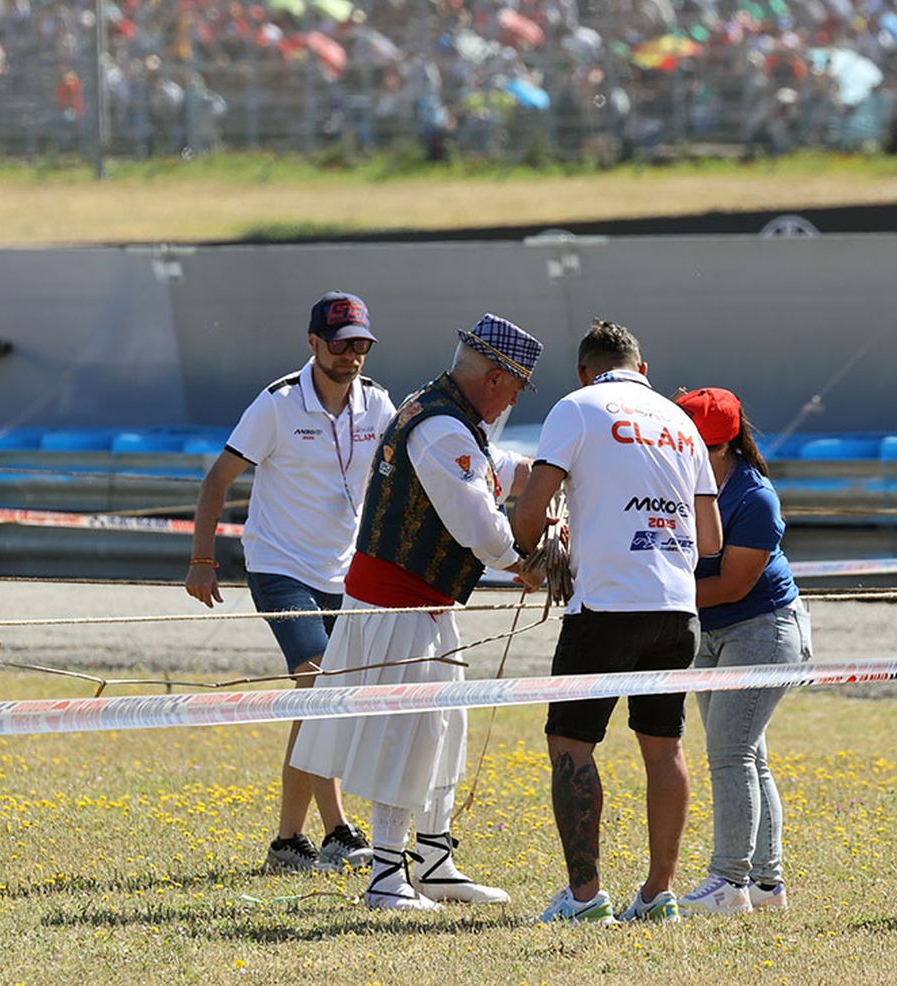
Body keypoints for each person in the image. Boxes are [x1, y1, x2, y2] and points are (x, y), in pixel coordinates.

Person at [291, 313, 546, 912]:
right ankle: (386, 877)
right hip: (396, 606)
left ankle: (434, 861)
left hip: (419, 603)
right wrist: (522, 561)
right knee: (402, 736)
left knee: (441, 730)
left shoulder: (443, 414)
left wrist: (539, 474)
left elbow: (489, 468)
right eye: (514, 387)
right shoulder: (443, 428)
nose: (513, 400)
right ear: (494, 378)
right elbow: (478, 523)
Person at [511, 320, 722, 925]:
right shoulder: (680, 422)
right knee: (665, 746)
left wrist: (535, 545)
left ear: (584, 371)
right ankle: (659, 894)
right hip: (677, 607)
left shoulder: (576, 408)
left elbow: (529, 514)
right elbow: (711, 539)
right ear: (643, 369)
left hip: (605, 605)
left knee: (571, 744)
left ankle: (584, 898)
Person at [185, 291, 395, 874]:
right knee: (320, 686)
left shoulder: (378, 403)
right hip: (279, 568)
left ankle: (286, 841)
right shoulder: (276, 403)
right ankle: (338, 831)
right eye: (341, 344)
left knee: (318, 702)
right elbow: (217, 480)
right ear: (313, 343)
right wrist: (202, 560)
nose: (352, 355)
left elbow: (406, 471)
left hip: (346, 572)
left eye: (361, 344)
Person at [671, 386, 811, 916]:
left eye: (703, 448)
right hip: (709, 632)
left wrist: (660, 594)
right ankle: (766, 885)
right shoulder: (679, 480)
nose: (691, 457)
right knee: (750, 755)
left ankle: (729, 881)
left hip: (763, 630)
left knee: (730, 754)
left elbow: (732, 585)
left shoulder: (755, 498)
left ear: (727, 445)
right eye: (684, 445)